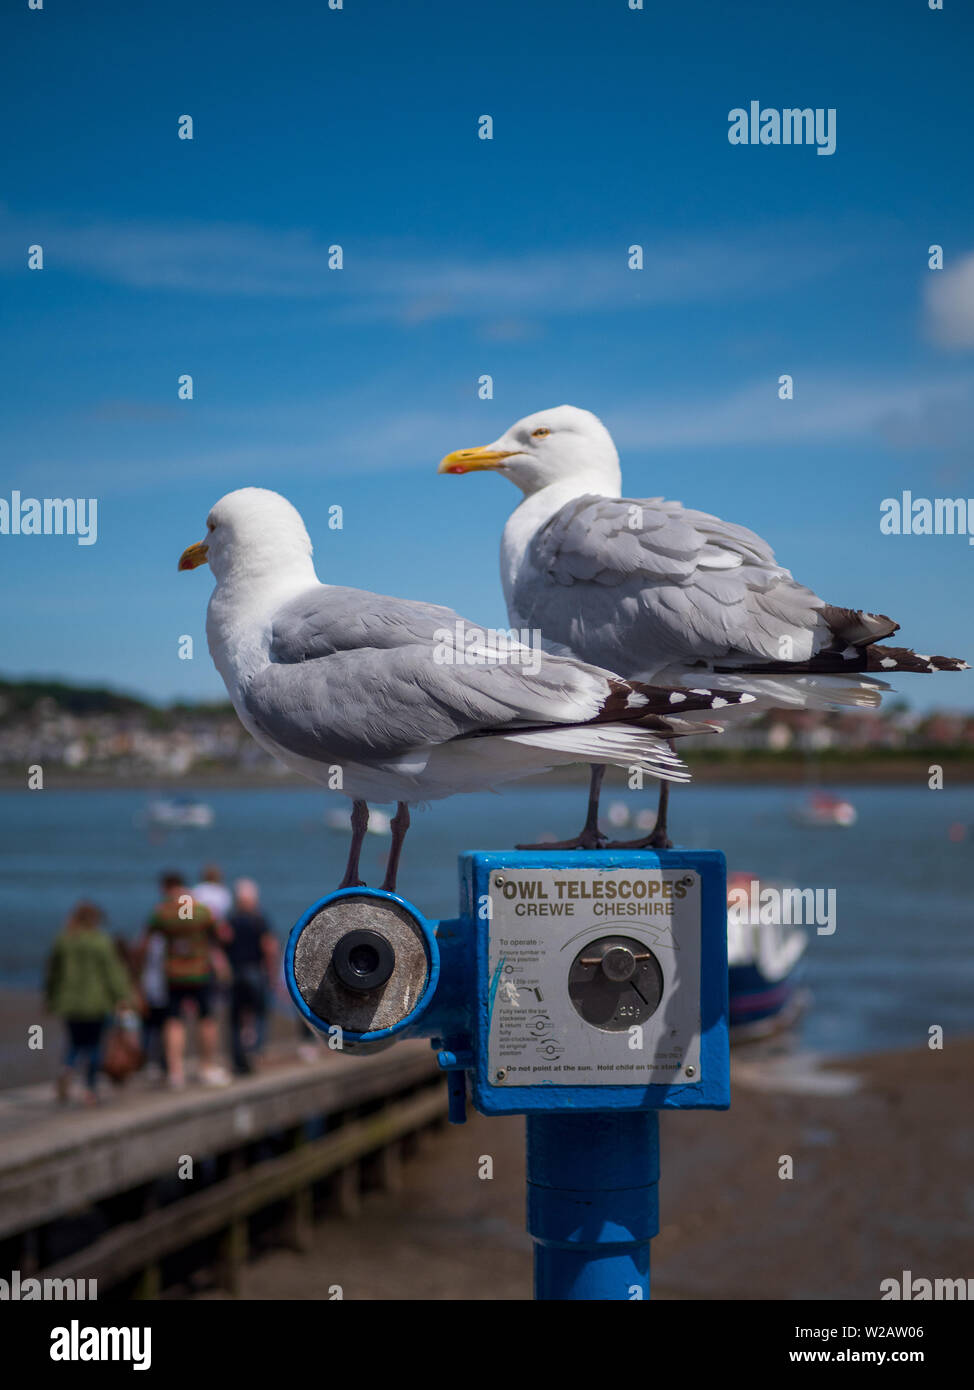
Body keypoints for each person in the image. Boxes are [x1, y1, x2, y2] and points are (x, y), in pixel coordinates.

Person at [146, 871, 229, 1088]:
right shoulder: (202, 911)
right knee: (206, 1018)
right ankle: (206, 1066)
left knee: (174, 1021)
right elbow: (221, 935)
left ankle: (175, 1072)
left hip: (173, 973)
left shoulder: (163, 913)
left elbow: (147, 939)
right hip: (200, 971)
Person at [44, 901, 131, 1105]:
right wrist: (122, 997)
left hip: (69, 1002)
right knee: (93, 1045)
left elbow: (53, 973)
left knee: (74, 1042)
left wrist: (49, 997)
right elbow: (113, 973)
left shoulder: (64, 940)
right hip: (96, 1002)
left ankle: (67, 1069)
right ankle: (89, 1089)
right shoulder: (101, 941)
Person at [224, 878, 278, 1075]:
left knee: (236, 1017)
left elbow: (223, 941)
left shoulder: (230, 920)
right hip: (255, 971)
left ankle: (238, 1057)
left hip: (235, 972)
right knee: (260, 1013)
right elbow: (269, 947)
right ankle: (255, 1050)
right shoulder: (259, 919)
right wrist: (272, 974)